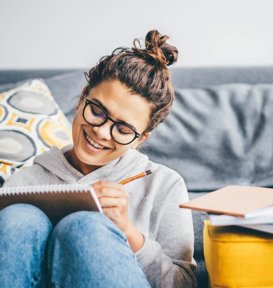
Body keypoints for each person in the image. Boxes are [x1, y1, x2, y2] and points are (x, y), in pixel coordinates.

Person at [0, 30, 197, 288]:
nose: (101, 132)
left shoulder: (164, 185)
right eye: (97, 111)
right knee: (20, 218)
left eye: (124, 130)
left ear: (142, 138)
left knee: (83, 227)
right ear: (82, 97)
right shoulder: (24, 181)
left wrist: (128, 233)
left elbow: (185, 284)